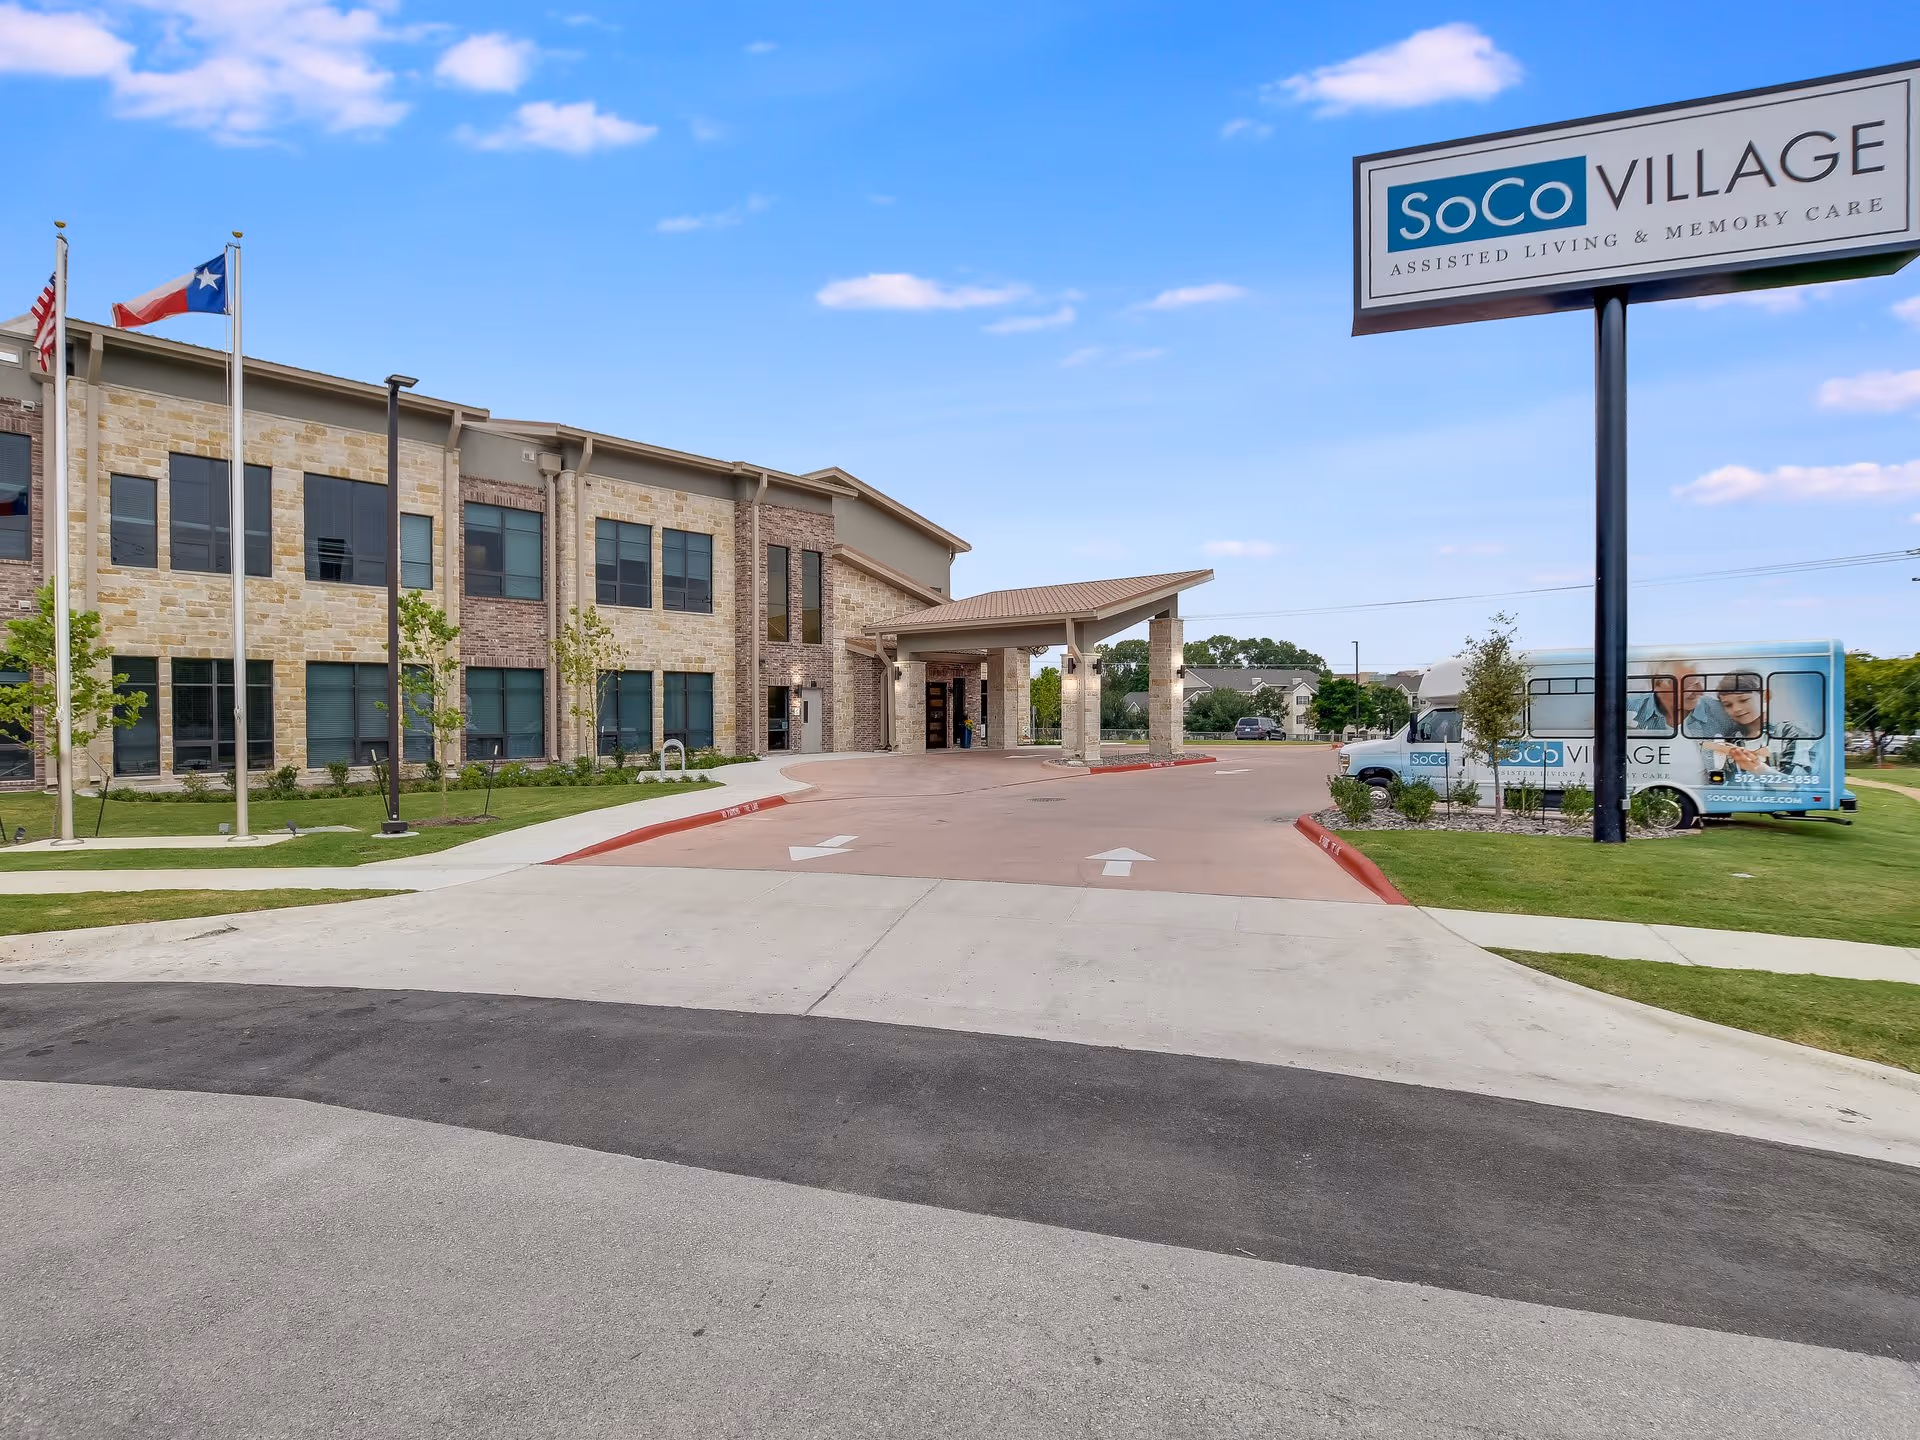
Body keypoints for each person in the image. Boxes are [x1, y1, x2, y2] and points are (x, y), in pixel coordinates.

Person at [1686, 672, 1813, 777]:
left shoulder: (1791, 732)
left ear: (1765, 696)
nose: (1737, 709)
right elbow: (1729, 782)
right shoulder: (1734, 740)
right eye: (1728, 705)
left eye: (1744, 700)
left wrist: (1756, 767)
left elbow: (1799, 782)